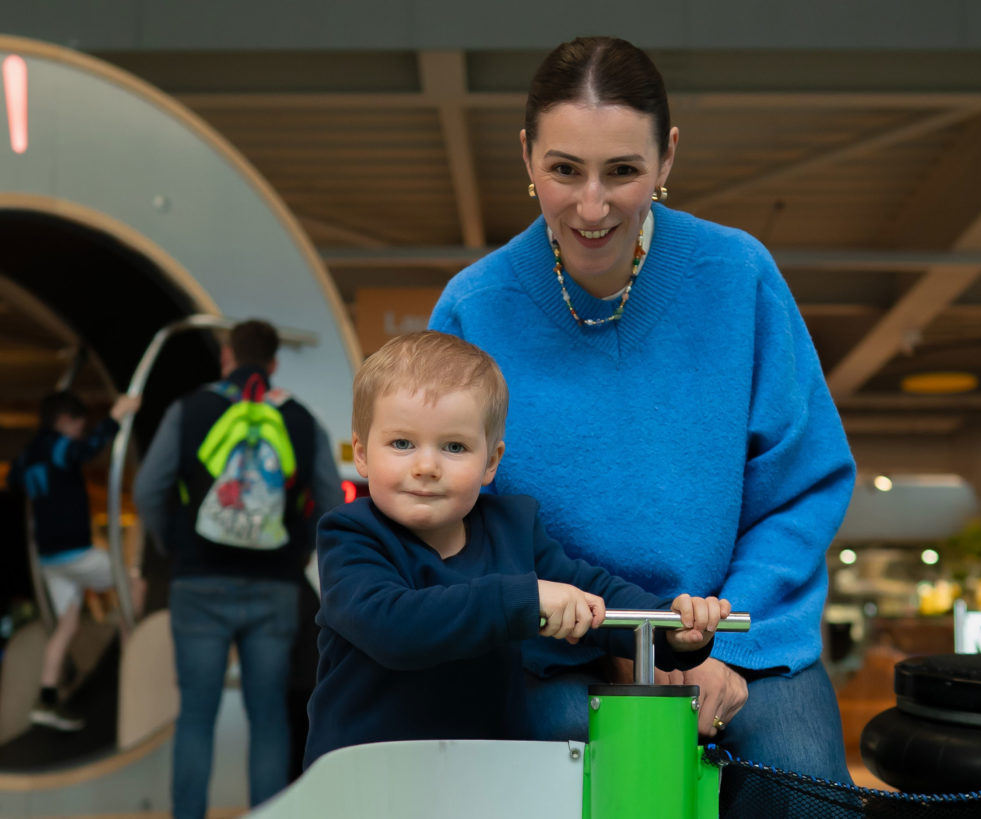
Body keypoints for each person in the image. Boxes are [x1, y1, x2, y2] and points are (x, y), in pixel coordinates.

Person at [428, 36, 857, 784]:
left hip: (735, 631)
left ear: (667, 159)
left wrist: (716, 648)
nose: (592, 207)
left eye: (622, 171)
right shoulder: (475, 305)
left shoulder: (738, 275)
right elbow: (451, 519)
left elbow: (801, 484)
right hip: (553, 646)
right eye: (564, 170)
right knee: (579, 771)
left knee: (801, 780)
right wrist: (602, 639)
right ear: (528, 155)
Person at [303, 330, 730, 766]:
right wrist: (524, 599)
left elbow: (593, 593)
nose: (426, 466)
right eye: (402, 443)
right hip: (364, 775)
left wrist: (670, 626)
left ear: (490, 461)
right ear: (361, 453)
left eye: (454, 447)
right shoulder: (349, 536)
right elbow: (392, 625)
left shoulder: (513, 529)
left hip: (488, 772)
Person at [133, 319, 343, 819]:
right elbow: (332, 502)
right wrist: (298, 551)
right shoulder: (300, 418)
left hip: (197, 582)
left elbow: (147, 490)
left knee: (196, 718)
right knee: (268, 717)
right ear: (273, 364)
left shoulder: (188, 410)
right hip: (273, 586)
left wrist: (174, 543)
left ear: (227, 357)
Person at [10, 389, 140, 731]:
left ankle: (47, 700)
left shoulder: (28, 455)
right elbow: (86, 450)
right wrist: (116, 415)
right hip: (75, 551)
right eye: (80, 425)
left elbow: (13, 480)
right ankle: (131, 673)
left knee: (67, 624)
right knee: (133, 586)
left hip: (49, 558)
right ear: (66, 421)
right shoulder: (59, 445)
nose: (82, 431)